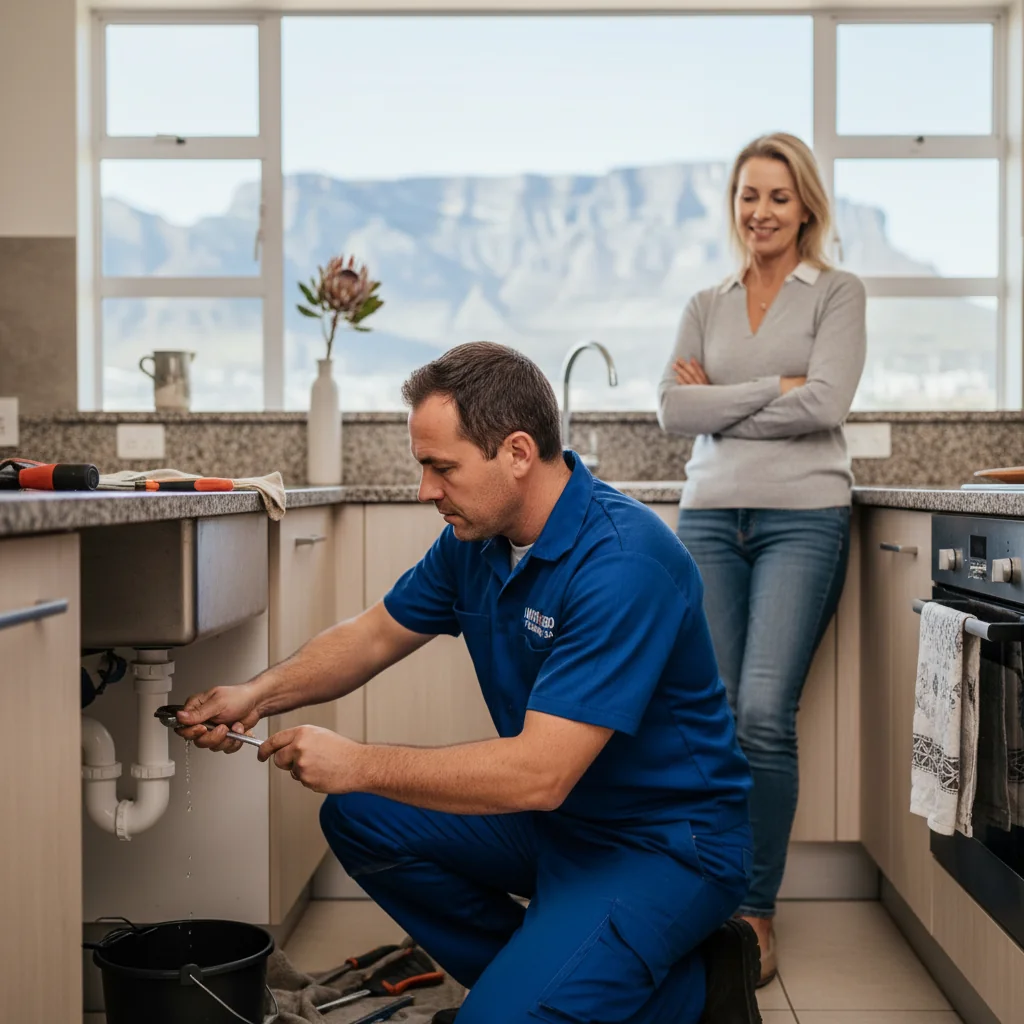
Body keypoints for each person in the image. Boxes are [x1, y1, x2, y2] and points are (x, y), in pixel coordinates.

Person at [177, 341, 761, 1024]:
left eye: (441, 467)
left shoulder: (623, 563)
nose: (426, 490)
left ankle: (690, 990)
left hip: (663, 844)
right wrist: (257, 693)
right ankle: (555, 971)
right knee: (359, 815)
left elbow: (540, 773)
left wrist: (358, 761)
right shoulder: (474, 543)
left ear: (517, 453)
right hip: (561, 822)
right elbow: (371, 636)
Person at [657, 133, 867, 986]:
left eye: (779, 196)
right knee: (709, 716)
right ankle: (702, 894)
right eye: (749, 195)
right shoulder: (706, 300)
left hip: (804, 519)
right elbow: (672, 408)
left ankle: (754, 909)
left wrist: (725, 402)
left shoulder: (837, 292)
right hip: (708, 519)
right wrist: (768, 390)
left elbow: (826, 402)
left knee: (763, 714)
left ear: (805, 205)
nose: (762, 212)